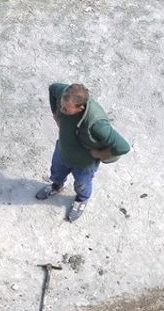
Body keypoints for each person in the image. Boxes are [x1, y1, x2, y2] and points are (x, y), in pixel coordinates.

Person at [35, 82, 131, 222]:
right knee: (56, 173)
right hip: (62, 150)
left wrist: (98, 154)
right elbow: (53, 88)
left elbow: (123, 147)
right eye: (61, 105)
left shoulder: (97, 124)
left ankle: (81, 199)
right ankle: (57, 186)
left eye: (66, 109)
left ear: (80, 108)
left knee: (82, 185)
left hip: (84, 163)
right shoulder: (64, 94)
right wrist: (56, 114)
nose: (62, 110)